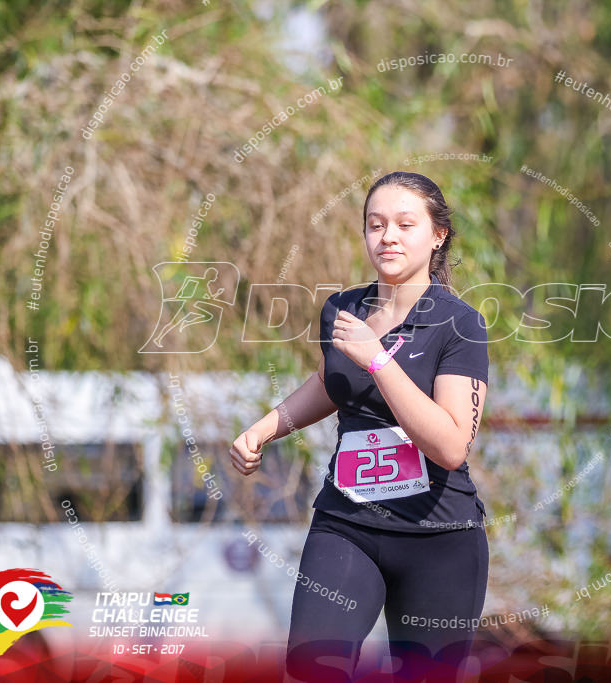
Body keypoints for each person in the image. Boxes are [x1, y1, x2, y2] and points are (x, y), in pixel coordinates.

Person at [229, 171, 490, 679]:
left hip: (438, 539)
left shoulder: (460, 323)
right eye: (375, 225)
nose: (387, 236)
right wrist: (265, 427)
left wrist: (379, 359)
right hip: (346, 525)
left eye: (404, 224)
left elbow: (451, 446)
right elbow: (331, 383)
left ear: (438, 235)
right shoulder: (342, 309)